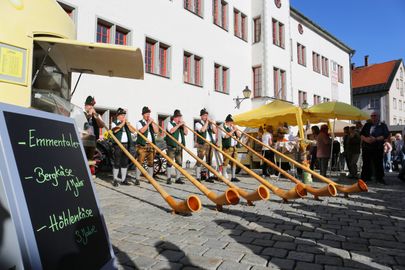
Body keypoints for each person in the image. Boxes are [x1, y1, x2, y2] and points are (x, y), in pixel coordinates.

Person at [360, 111, 389, 184]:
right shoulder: (367, 125)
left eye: (375, 115)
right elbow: (361, 135)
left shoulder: (383, 125)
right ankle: (365, 178)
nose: (373, 117)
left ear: (378, 117)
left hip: (377, 147)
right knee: (366, 163)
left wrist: (375, 139)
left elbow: (385, 135)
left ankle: (379, 179)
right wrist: (366, 139)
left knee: (378, 163)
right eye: (372, 116)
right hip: (367, 147)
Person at [135, 106, 159, 184]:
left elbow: (156, 131)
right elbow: (141, 131)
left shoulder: (151, 123)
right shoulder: (139, 122)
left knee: (151, 162)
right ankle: (137, 179)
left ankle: (150, 178)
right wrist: (148, 123)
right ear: (143, 114)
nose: (148, 115)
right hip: (142, 145)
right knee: (140, 162)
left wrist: (152, 123)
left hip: (151, 145)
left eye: (149, 114)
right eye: (146, 114)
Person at [111, 108, 133, 187]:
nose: (124, 117)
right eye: (122, 115)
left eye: (124, 115)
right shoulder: (114, 123)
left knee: (124, 163)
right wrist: (123, 123)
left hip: (126, 145)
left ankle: (123, 180)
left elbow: (133, 131)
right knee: (116, 163)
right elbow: (115, 131)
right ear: (118, 116)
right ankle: (115, 180)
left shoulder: (126, 124)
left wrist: (128, 125)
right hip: (118, 145)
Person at [195, 108, 217, 183]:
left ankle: (208, 176)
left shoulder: (209, 124)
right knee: (200, 160)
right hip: (202, 144)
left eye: (207, 115)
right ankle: (198, 177)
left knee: (209, 161)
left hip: (210, 143)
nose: (206, 117)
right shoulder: (198, 123)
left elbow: (215, 131)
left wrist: (213, 124)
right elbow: (202, 130)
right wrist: (207, 122)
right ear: (201, 116)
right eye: (204, 115)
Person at [165, 109, 187, 185]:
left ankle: (178, 178)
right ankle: (168, 178)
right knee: (169, 162)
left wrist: (184, 125)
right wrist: (178, 125)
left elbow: (186, 133)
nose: (179, 119)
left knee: (179, 163)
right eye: (178, 117)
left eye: (180, 117)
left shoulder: (180, 125)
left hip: (179, 146)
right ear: (174, 118)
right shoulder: (169, 123)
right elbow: (171, 131)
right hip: (171, 146)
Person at [221, 114, 241, 182]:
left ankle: (233, 177)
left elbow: (239, 135)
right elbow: (225, 136)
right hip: (227, 147)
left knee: (234, 162)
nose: (232, 123)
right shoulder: (223, 127)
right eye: (231, 122)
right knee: (225, 162)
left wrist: (235, 130)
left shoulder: (232, 127)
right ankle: (223, 176)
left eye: (232, 122)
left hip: (234, 147)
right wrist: (233, 130)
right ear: (227, 121)